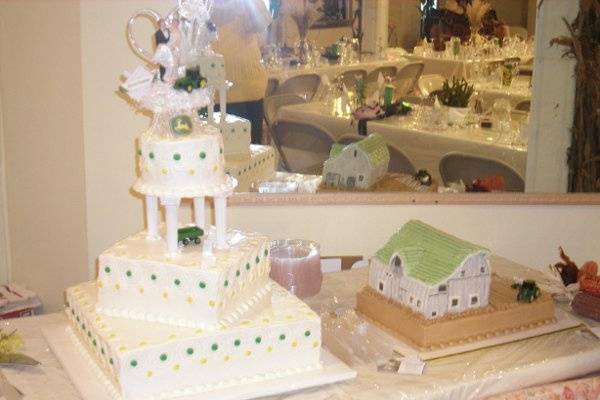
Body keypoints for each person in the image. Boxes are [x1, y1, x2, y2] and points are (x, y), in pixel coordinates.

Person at [212, 0, 272, 144]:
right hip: (218, 85)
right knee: (223, 154)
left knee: (252, 153)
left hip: (248, 83)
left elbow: (261, 23)